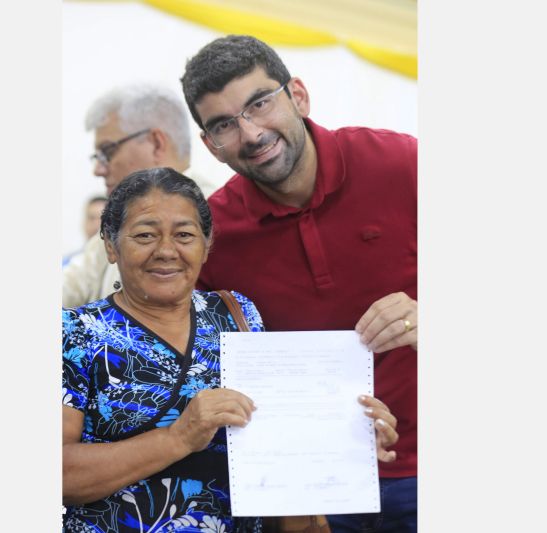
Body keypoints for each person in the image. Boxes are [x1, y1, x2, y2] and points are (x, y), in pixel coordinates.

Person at [62, 168, 399, 532]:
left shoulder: (237, 314)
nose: (165, 251)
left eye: (185, 235)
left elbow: (278, 437)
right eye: (145, 235)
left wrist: (346, 441)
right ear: (111, 245)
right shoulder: (75, 334)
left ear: (206, 246)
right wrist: (178, 438)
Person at [180, 35, 418, 532]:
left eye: (260, 104)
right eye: (224, 124)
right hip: (311, 492)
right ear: (210, 145)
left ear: (299, 96)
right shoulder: (213, 235)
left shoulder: (401, 164)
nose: (251, 133)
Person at [63, 84, 208, 308]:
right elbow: (69, 286)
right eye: (145, 235)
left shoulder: (219, 212)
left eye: (108, 151)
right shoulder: (119, 218)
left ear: (156, 144)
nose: (98, 169)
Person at [63, 195, 108, 268]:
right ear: (84, 223)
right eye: (92, 218)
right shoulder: (68, 264)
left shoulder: (118, 266)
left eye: (102, 219)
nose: (96, 225)